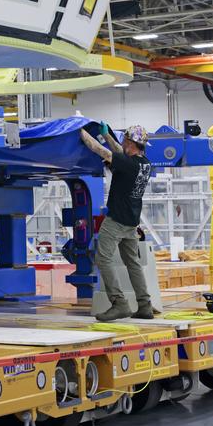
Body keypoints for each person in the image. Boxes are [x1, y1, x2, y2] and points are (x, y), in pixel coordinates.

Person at [79, 123, 154, 321]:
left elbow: (98, 149)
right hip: (132, 222)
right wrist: (106, 135)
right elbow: (120, 153)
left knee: (103, 258)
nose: (121, 143)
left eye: (124, 140)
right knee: (132, 263)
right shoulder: (145, 164)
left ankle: (119, 303)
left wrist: (79, 131)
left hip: (116, 220)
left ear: (130, 143)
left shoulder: (128, 164)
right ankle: (145, 305)